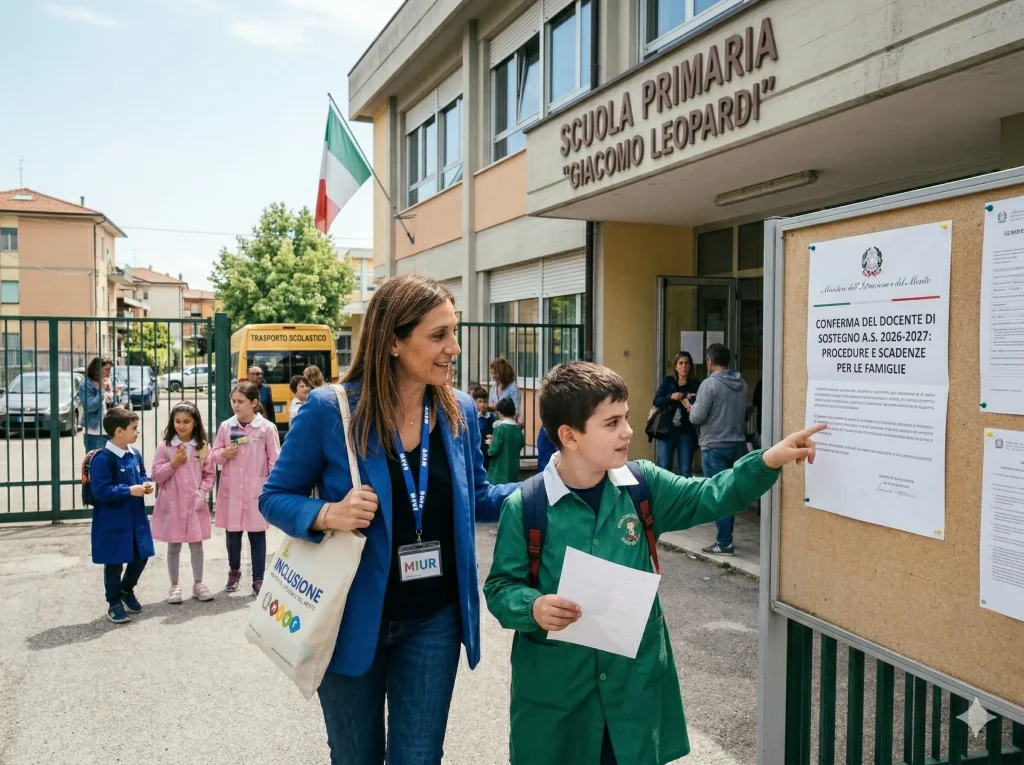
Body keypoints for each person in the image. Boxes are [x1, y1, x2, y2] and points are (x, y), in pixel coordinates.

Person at [484, 361, 824, 765]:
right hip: (559, 700)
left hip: (633, 692)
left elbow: (710, 495)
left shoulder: (642, 485)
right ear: (569, 436)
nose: (628, 431)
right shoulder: (527, 506)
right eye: (611, 423)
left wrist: (768, 460)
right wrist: (534, 607)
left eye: (626, 417)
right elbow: (501, 588)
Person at [259, 274, 515, 765]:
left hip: (433, 622)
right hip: (351, 619)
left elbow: (478, 497)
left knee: (419, 758)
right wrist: (328, 513)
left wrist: (549, 486)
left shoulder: (457, 410)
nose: (454, 348)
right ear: (394, 341)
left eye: (454, 333)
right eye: (439, 335)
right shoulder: (329, 410)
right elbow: (274, 497)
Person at [89, 406, 156, 624]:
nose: (137, 432)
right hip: (113, 520)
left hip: (136, 519)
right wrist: (129, 490)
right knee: (114, 562)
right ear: (119, 431)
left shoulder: (134, 454)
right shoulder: (103, 459)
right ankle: (114, 602)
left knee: (141, 555)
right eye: (134, 428)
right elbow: (100, 491)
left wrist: (146, 483)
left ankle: (127, 589)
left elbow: (142, 474)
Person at [213, 382, 280, 596]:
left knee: (257, 536)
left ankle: (258, 578)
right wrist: (224, 454)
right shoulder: (227, 427)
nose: (236, 405)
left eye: (240, 402)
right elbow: (214, 455)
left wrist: (273, 488)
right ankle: (234, 571)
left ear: (254, 403)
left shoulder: (266, 428)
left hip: (256, 490)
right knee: (233, 534)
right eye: (233, 401)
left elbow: (275, 461)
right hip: (232, 489)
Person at [684, 343, 750, 556]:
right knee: (730, 493)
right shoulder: (742, 384)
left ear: (710, 361)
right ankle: (726, 538)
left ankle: (724, 543)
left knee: (719, 495)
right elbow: (745, 413)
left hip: (714, 447)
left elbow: (697, 417)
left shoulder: (709, 384)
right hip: (737, 444)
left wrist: (689, 407)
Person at [150, 401, 216, 604]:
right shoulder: (165, 446)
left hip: (195, 504)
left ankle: (198, 583)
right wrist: (173, 464)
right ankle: (174, 585)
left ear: (195, 422)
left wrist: (203, 491)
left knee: (197, 544)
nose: (181, 425)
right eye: (177, 421)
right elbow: (155, 475)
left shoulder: (203, 447)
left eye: (186, 421)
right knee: (174, 545)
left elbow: (210, 474)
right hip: (173, 503)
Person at [652, 351, 701, 477]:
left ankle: (685, 496)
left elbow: (700, 405)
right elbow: (657, 401)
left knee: (685, 469)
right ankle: (664, 495)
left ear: (690, 366)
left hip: (686, 431)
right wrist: (671, 396)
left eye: (686, 363)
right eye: (681, 363)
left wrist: (689, 399)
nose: (684, 366)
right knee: (664, 466)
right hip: (666, 430)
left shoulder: (696, 384)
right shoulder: (668, 381)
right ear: (675, 366)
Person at [487, 398, 525, 485]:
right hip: (513, 472)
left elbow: (493, 450)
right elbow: (521, 442)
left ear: (499, 413)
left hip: (499, 473)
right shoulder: (517, 429)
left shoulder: (500, 428)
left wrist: (491, 443)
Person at [80, 356, 114, 451]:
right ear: (97, 370)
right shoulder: (85, 385)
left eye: (110, 370)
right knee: (95, 462)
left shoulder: (107, 382)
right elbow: (91, 407)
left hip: (110, 431)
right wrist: (102, 390)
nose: (109, 372)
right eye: (107, 369)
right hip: (95, 432)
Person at [473, 387, 496, 470]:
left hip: (487, 451)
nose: (482, 404)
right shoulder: (472, 417)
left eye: (484, 401)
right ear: (474, 402)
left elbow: (495, 432)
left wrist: (494, 437)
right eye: (480, 402)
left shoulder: (491, 417)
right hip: (476, 449)